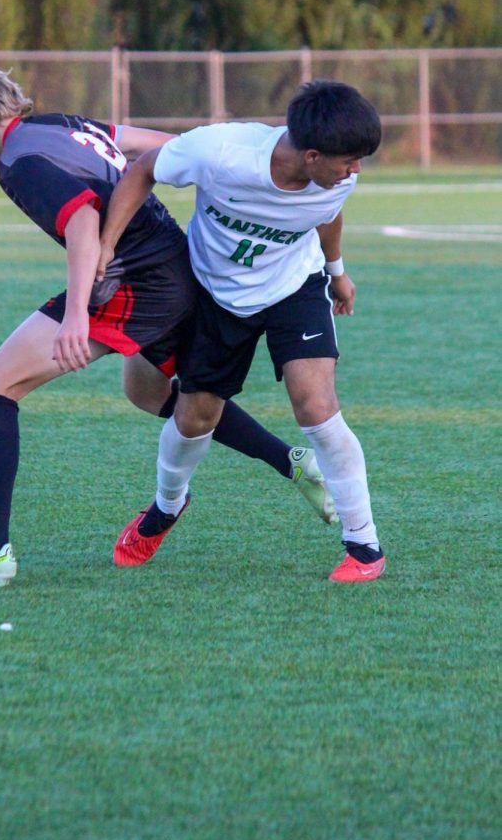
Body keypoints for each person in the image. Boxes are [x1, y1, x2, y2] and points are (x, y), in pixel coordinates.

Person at [0, 62, 336, 588]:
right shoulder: (63, 126)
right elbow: (163, 143)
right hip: (172, 264)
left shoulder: (19, 160)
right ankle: (294, 462)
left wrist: (74, 316)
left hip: (139, 282)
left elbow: (84, 222)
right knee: (152, 392)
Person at [97, 79, 385, 582]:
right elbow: (144, 169)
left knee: (316, 407)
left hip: (294, 286)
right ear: (312, 155)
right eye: (349, 160)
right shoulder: (221, 151)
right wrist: (105, 246)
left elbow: (327, 216)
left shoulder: (335, 179)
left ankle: (364, 547)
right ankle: (167, 506)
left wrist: (337, 272)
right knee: (193, 419)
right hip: (215, 295)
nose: (356, 170)